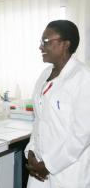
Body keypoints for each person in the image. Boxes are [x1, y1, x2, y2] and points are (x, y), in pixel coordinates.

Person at [25, 20, 90, 187]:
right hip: (39, 169)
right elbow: (39, 121)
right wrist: (31, 152)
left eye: (46, 41)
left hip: (68, 172)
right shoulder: (45, 74)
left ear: (65, 44)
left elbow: (82, 135)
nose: (40, 47)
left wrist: (49, 165)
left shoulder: (83, 77)